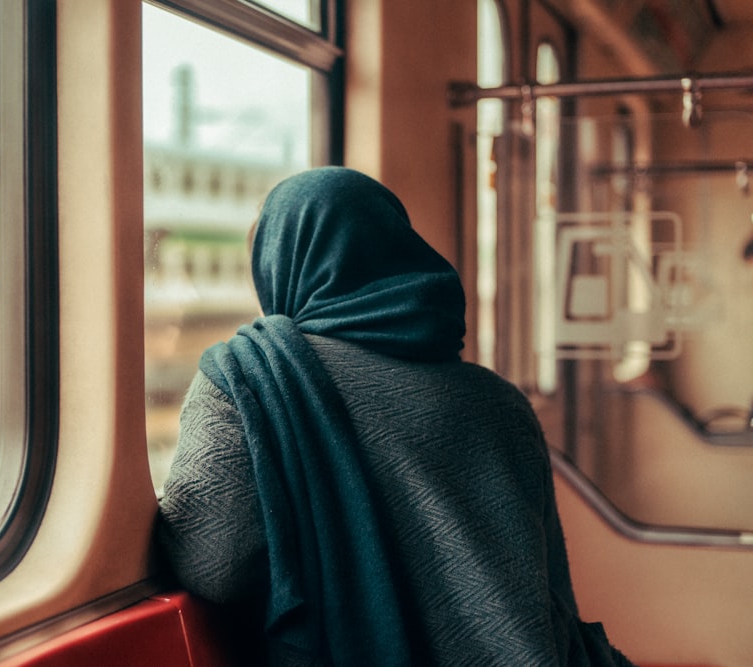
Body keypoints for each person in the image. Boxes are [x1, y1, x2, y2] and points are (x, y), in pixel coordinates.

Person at [156, 166, 633, 666]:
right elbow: (548, 592)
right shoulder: (502, 403)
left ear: (282, 269)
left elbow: (212, 562)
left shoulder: (251, 379)